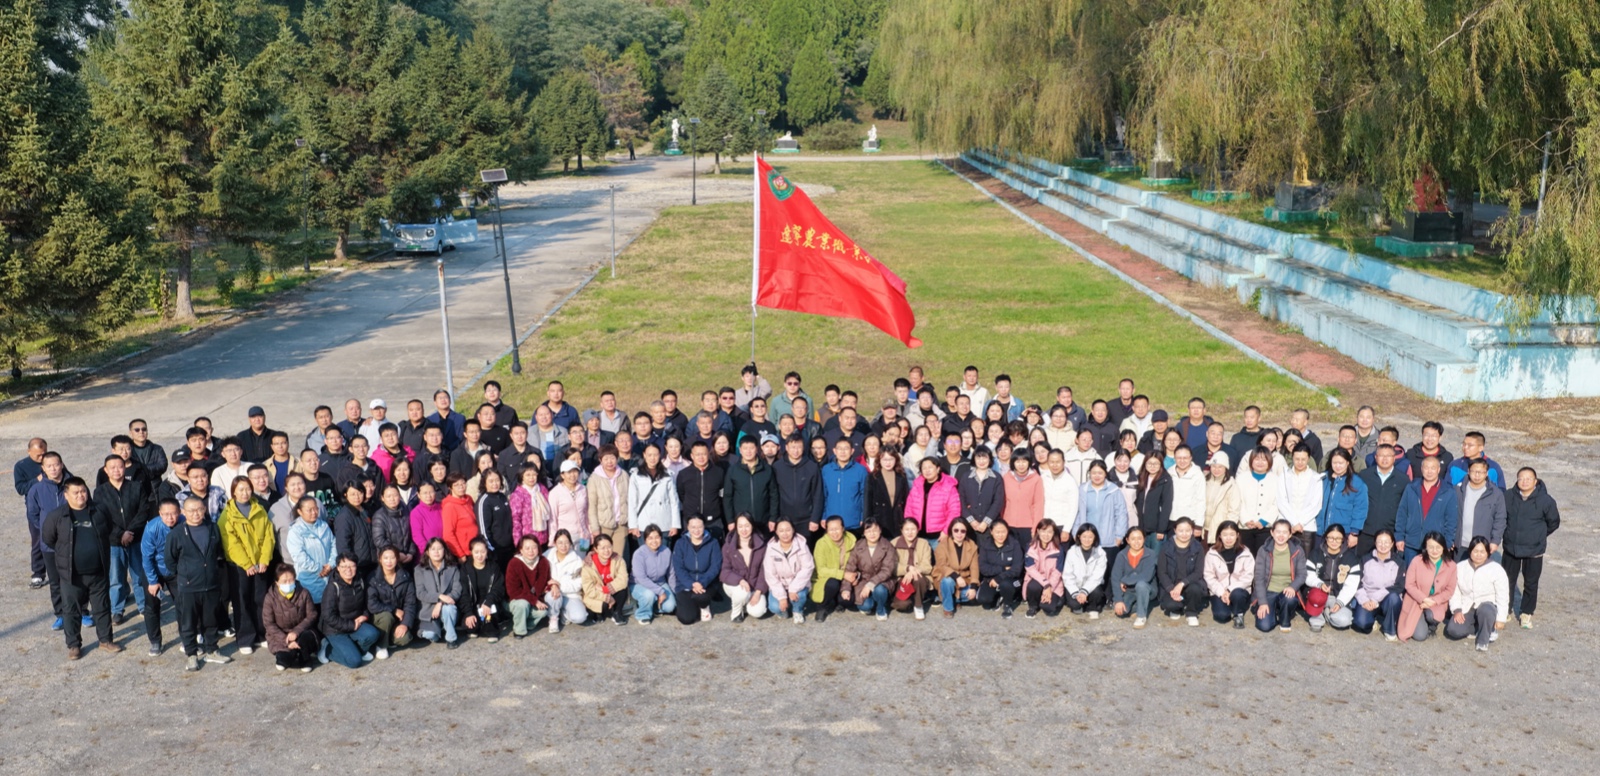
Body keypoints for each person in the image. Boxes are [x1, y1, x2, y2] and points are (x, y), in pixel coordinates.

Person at [41, 477, 118, 660]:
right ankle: (74, 645)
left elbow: (108, 529)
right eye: (75, 492)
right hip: (71, 575)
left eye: (83, 491)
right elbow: (48, 539)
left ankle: (105, 640)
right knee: (71, 611)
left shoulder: (99, 510)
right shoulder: (57, 516)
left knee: (102, 608)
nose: (80, 495)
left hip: (98, 571)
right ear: (66, 495)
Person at [219, 477, 275, 654]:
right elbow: (231, 543)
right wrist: (246, 563)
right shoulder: (227, 515)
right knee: (242, 601)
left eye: (248, 489)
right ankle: (245, 638)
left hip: (260, 563)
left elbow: (268, 536)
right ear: (234, 492)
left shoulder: (259, 509)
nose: (245, 493)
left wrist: (264, 559)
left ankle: (261, 634)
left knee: (260, 599)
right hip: (239, 566)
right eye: (241, 489)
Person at [95, 454, 150, 624]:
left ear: (125, 467)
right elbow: (101, 517)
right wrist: (120, 534)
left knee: (139, 575)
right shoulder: (100, 492)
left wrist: (130, 531)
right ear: (106, 470)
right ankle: (117, 610)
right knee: (116, 578)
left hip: (136, 538)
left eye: (120, 466)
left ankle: (143, 606)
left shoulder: (136, 487)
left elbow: (143, 511)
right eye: (112, 467)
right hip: (113, 542)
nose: (116, 470)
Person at [1502, 467, 1559, 629]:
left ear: (1535, 481)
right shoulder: (1508, 496)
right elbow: (1502, 518)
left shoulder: (1545, 500)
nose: (1524, 481)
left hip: (1534, 550)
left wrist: (1539, 535)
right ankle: (1505, 609)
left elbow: (1554, 522)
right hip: (1511, 547)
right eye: (1521, 478)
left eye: (1528, 478)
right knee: (1507, 580)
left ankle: (1526, 612)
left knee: (1531, 583)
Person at [1446, 537, 1509, 652]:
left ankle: (1483, 640)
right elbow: (1455, 591)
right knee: (1453, 630)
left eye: (1482, 552)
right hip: (1467, 605)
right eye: (1475, 551)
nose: (1478, 555)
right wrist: (1457, 610)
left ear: (1487, 552)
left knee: (1486, 610)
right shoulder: (1460, 567)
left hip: (1487, 606)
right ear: (1470, 551)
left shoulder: (1496, 569)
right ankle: (1482, 627)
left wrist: (1501, 618)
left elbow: (1503, 595)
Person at [319, 554, 380, 668]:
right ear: (338, 568)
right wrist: (350, 625)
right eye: (344, 566)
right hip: (335, 630)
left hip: (355, 624)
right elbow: (327, 615)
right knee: (354, 662)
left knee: (373, 634)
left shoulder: (360, 581)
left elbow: (366, 603)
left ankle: (356, 650)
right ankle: (327, 649)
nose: (348, 569)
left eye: (352, 565)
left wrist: (365, 616)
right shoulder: (333, 587)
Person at [1395, 456, 1458, 563]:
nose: (1429, 471)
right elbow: (1402, 513)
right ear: (1421, 469)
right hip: (1411, 543)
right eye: (1426, 467)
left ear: (1438, 469)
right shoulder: (1411, 488)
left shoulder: (1448, 491)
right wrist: (1399, 537)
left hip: (1435, 545)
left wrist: (1447, 543)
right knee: (1410, 572)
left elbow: (1451, 520)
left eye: (1433, 468)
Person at [1399, 532, 1457, 643]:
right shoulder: (1417, 561)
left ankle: (1432, 626)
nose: (1434, 550)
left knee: (1432, 616)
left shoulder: (1451, 565)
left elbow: (1450, 590)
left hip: (1437, 602)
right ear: (1425, 547)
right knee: (1420, 636)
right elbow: (1409, 584)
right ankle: (1420, 619)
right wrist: (1424, 599)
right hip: (1416, 600)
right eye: (1431, 547)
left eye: (1438, 547)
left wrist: (1433, 601)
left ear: (1443, 547)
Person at [140, 499, 181, 655]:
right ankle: (155, 641)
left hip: (176, 570)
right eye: (166, 514)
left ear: (179, 512)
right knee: (152, 606)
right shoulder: (152, 528)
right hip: (154, 569)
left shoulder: (184, 523)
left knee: (184, 603)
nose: (170, 518)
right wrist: (152, 581)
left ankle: (187, 636)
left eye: (174, 513)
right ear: (160, 514)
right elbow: (147, 557)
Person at [1304, 524, 1362, 632]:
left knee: (1344, 621)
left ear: (1343, 539)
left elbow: (1351, 585)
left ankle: (1326, 612)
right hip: (1319, 593)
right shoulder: (1315, 553)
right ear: (1326, 538)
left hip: (1338, 595)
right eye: (1331, 538)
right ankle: (1317, 617)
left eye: (1338, 538)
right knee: (1316, 597)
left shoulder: (1351, 558)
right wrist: (1320, 584)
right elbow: (1308, 575)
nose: (1334, 541)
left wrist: (1340, 602)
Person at [262, 564, 319, 672]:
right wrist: (287, 640)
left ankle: (304, 658)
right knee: (283, 662)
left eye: (291, 580)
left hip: (302, 631)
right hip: (280, 634)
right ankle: (293, 652)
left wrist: (296, 632)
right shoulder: (270, 598)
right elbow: (269, 624)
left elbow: (312, 615)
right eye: (284, 581)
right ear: (277, 582)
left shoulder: (304, 593)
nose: (288, 584)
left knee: (306, 642)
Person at [1252, 519, 1306, 633]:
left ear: (1290, 534)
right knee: (1264, 626)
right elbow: (1259, 578)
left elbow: (1302, 574)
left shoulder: (1297, 550)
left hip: (1287, 592)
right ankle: (1274, 610)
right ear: (1272, 532)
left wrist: (1293, 587)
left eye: (1285, 532)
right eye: (1278, 532)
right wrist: (1262, 602)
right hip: (1268, 591)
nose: (1281, 536)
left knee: (1289, 599)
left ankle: (1284, 618)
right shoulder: (1264, 550)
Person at [1351, 530, 1406, 640]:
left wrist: (1376, 598)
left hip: (1387, 599)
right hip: (1368, 598)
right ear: (1375, 543)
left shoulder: (1399, 562)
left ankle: (1389, 629)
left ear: (1392, 544)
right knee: (1361, 623)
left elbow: (1399, 586)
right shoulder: (1365, 559)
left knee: (1394, 598)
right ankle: (1373, 620)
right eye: (1380, 541)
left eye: (1386, 542)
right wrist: (1365, 600)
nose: (1383, 545)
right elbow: (1357, 582)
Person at [366, 546, 417, 658]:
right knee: (386, 616)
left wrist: (405, 624)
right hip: (379, 619)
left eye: (392, 558)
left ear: (397, 559)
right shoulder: (373, 578)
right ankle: (381, 645)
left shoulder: (405, 576)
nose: (389, 561)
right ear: (380, 559)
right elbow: (372, 605)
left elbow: (410, 603)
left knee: (405, 638)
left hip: (397, 620)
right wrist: (393, 610)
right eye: (386, 558)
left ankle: (388, 638)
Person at [1357, 441, 1407, 556]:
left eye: (1388, 455)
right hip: (1365, 532)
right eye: (1381, 455)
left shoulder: (1403, 480)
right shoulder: (1364, 475)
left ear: (1394, 458)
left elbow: (1404, 509)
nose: (1385, 459)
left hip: (1389, 533)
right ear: (1376, 457)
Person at [1156, 517, 1207, 625]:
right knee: (1171, 605)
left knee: (1195, 589)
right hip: (1171, 585)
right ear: (1175, 530)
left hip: (1189, 584)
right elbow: (1161, 572)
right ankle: (1178, 607)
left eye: (1188, 530)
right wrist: (1171, 589)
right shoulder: (1166, 547)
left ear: (1192, 531)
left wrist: (1182, 584)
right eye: (1181, 531)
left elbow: (1198, 572)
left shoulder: (1198, 547)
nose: (1184, 534)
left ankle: (1191, 612)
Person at [1203, 521, 1254, 628]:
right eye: (1225, 535)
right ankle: (1230, 608)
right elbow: (1209, 576)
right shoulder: (1212, 553)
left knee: (1237, 595)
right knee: (1222, 616)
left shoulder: (1246, 553)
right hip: (1219, 591)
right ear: (1220, 536)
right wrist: (1222, 592)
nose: (1229, 538)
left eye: (1232, 535)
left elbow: (1248, 576)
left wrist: (1230, 590)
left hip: (1239, 591)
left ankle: (1238, 614)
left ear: (1237, 535)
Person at [671, 516, 721, 625]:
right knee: (687, 619)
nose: (696, 530)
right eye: (693, 527)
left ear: (704, 526)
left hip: (706, 584)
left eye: (699, 527)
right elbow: (678, 568)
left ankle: (704, 606)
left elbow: (715, 567)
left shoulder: (713, 543)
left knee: (701, 597)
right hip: (686, 584)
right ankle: (694, 607)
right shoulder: (680, 543)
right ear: (688, 527)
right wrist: (691, 584)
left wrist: (702, 582)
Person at [762, 519, 813, 623]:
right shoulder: (771, 548)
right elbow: (770, 574)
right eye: (781, 530)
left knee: (800, 596)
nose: (785, 534)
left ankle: (797, 610)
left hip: (797, 584)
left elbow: (807, 567)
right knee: (774, 607)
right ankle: (784, 611)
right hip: (780, 584)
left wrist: (793, 589)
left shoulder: (802, 545)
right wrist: (781, 597)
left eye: (788, 530)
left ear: (793, 530)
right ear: (776, 532)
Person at [1454, 459, 1506, 561]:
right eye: (1474, 471)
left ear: (1486, 473)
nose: (1477, 475)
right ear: (1468, 471)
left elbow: (1500, 519)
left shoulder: (1495, 494)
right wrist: (1450, 539)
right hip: (1460, 544)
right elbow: (1449, 515)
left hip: (1482, 546)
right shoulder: (1457, 490)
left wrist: (1495, 541)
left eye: (1481, 472)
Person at [844, 520, 897, 620]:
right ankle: (877, 600)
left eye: (875, 530)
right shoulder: (858, 546)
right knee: (865, 606)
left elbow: (887, 570)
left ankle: (881, 609)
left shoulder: (888, 546)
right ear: (864, 533)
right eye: (868, 531)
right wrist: (846, 588)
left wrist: (870, 585)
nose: (872, 534)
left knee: (880, 590)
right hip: (863, 580)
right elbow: (850, 568)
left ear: (880, 530)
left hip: (882, 581)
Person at [720, 514, 768, 622]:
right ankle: (736, 612)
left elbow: (764, 571)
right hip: (735, 585)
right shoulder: (728, 546)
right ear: (736, 527)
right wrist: (740, 580)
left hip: (754, 586)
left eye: (747, 525)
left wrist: (758, 592)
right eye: (740, 526)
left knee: (757, 612)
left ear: (752, 526)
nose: (744, 530)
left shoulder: (761, 546)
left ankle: (745, 604)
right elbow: (724, 571)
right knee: (742, 593)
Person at [414, 538, 462, 648]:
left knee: (449, 609)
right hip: (429, 610)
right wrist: (439, 596)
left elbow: (456, 590)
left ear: (444, 550)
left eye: (439, 548)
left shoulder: (453, 568)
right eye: (433, 549)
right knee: (430, 635)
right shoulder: (419, 569)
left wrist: (440, 603)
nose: (436, 552)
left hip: (447, 607)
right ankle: (440, 629)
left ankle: (451, 639)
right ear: (427, 552)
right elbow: (420, 593)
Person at [458, 537, 507, 641]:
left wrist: (488, 602)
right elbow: (464, 592)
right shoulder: (465, 569)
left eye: (483, 552)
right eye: (476, 552)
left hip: (490, 603)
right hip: (473, 604)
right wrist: (468, 613)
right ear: (471, 552)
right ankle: (477, 625)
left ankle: (490, 625)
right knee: (471, 627)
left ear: (487, 552)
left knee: (491, 628)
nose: (480, 555)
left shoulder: (494, 567)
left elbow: (498, 588)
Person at [1316, 450, 1368, 548]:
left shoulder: (1357, 483)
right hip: (1321, 531)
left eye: (1341, 463)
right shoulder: (1323, 478)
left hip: (1343, 533)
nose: (1337, 466)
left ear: (1347, 463)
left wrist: (1354, 532)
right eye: (1335, 463)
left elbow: (1360, 509)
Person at [810, 516, 857, 622]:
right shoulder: (821, 543)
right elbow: (821, 570)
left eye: (837, 529)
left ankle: (838, 602)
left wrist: (856, 576)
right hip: (825, 579)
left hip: (846, 581)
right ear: (827, 530)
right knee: (833, 583)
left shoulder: (851, 541)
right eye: (831, 529)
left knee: (849, 601)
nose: (834, 532)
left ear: (843, 528)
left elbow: (858, 563)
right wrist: (843, 574)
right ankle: (822, 607)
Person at [1109, 527, 1156, 628]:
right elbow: (1115, 577)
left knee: (1141, 584)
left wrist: (1124, 580)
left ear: (1144, 539)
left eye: (1139, 538)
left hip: (1147, 588)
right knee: (1121, 612)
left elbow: (1146, 576)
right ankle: (1140, 605)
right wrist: (1118, 600)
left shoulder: (1151, 554)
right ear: (1127, 540)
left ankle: (1141, 616)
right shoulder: (1121, 555)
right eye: (1133, 539)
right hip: (1129, 590)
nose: (1136, 542)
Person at [506, 536, 553, 636]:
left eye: (534, 547)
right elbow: (513, 591)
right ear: (521, 550)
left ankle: (527, 624)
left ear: (538, 548)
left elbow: (546, 581)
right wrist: (534, 601)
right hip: (516, 599)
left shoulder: (543, 561)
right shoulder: (514, 563)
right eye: (527, 548)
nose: (531, 551)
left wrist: (552, 586)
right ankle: (519, 631)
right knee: (523, 604)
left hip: (533, 600)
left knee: (543, 612)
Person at [976, 521, 1024, 619]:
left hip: (1012, 579)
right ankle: (999, 597)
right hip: (990, 579)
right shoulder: (985, 545)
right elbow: (983, 568)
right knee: (984, 600)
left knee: (1006, 585)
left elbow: (1016, 569)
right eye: (997, 532)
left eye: (1003, 532)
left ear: (1007, 531)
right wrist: (1002, 568)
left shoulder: (1014, 544)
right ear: (991, 532)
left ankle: (1007, 604)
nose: (1000, 535)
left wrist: (999, 578)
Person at [630, 526, 677, 624]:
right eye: (650, 538)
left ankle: (653, 606)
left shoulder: (666, 551)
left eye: (657, 537)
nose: (654, 541)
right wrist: (660, 592)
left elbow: (671, 574)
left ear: (661, 538)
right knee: (649, 595)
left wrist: (675, 592)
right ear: (645, 540)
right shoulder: (639, 554)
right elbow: (641, 578)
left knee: (670, 606)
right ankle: (643, 614)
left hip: (660, 582)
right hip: (639, 584)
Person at [581, 533, 630, 625]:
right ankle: (600, 613)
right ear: (596, 549)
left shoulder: (618, 560)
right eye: (602, 548)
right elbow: (589, 590)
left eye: (609, 547)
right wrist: (607, 598)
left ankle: (617, 613)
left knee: (623, 590)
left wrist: (605, 589)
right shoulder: (587, 565)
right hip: (596, 595)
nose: (607, 550)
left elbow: (623, 580)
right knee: (599, 605)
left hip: (608, 590)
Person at [889, 518, 933, 619]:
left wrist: (913, 571)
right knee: (902, 605)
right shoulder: (894, 543)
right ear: (902, 530)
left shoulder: (924, 543)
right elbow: (892, 566)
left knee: (918, 578)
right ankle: (912, 599)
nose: (910, 532)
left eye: (913, 529)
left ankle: (918, 606)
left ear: (918, 530)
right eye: (907, 529)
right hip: (901, 579)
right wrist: (908, 568)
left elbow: (927, 566)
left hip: (920, 578)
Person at [1237, 448, 1280, 552]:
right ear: (1251, 460)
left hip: (1266, 528)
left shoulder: (1276, 480)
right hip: (1245, 527)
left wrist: (1263, 521)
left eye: (1264, 459)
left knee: (1263, 556)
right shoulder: (1241, 478)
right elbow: (1237, 502)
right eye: (1257, 459)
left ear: (1269, 461)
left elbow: (1277, 503)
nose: (1260, 462)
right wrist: (1246, 520)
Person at [1021, 519, 1064, 619]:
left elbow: (1058, 571)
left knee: (1049, 608)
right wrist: (1046, 584)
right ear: (1038, 531)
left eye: (1049, 532)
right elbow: (1030, 568)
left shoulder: (1058, 549)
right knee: (1033, 586)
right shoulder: (1030, 546)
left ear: (1054, 533)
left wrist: (1049, 587)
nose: (1046, 535)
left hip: (1053, 582)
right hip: (1037, 579)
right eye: (1043, 531)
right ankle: (1033, 607)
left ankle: (1054, 599)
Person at [958, 447, 1004, 538]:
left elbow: (998, 501)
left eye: (984, 458)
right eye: (978, 458)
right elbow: (961, 499)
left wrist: (985, 522)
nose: (981, 461)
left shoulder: (997, 478)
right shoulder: (966, 477)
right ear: (974, 459)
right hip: (969, 525)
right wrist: (971, 521)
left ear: (990, 459)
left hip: (990, 525)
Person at [1062, 524, 1107, 618]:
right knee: (1075, 605)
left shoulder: (1100, 553)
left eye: (1090, 537)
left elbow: (1097, 576)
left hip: (1091, 586)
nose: (1087, 540)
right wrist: (1076, 593)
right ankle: (1081, 603)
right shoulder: (1072, 552)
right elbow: (1067, 575)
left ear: (1095, 538)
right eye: (1084, 536)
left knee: (1097, 593)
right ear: (1079, 536)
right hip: (1075, 586)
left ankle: (1093, 608)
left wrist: (1084, 591)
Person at [1134, 453, 1173, 555]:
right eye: (1149, 463)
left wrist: (1161, 529)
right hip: (1141, 527)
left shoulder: (1165, 480)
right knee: (1142, 557)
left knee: (1155, 558)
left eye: (1156, 463)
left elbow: (1166, 505)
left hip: (1156, 529)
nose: (1152, 466)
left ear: (1161, 464)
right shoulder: (1140, 478)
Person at [475, 470, 514, 570]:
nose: (495, 484)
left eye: (497, 480)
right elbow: (483, 530)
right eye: (491, 481)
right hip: (496, 550)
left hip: (509, 547)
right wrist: (491, 549)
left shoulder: (502, 497)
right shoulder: (484, 501)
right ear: (484, 482)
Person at [370, 485, 417, 567]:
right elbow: (379, 540)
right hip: (390, 559)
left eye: (395, 495)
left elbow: (412, 533)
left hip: (407, 557)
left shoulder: (405, 511)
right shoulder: (379, 516)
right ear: (382, 498)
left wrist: (411, 552)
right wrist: (397, 554)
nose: (392, 499)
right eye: (388, 496)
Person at [548, 461, 590, 550]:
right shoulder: (555, 493)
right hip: (565, 537)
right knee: (568, 558)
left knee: (583, 558)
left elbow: (587, 513)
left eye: (575, 471)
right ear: (562, 475)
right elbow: (553, 518)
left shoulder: (583, 489)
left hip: (583, 536)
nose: (572, 475)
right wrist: (552, 539)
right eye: (569, 472)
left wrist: (590, 532)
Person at [1202, 452, 1241, 544]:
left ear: (1225, 468)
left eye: (1220, 467)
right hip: (1203, 529)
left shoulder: (1231, 485)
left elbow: (1234, 511)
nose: (1216, 470)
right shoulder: (1204, 480)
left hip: (1220, 531)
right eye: (1214, 466)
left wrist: (1227, 531)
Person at [867, 451, 907, 538]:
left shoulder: (901, 476)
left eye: (891, 459)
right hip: (880, 519)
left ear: (896, 460)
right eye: (885, 459)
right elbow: (868, 500)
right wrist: (868, 521)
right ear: (879, 460)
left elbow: (906, 498)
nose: (888, 463)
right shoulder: (873, 476)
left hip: (897, 519)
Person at [440, 476, 478, 561]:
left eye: (463, 483)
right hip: (464, 552)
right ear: (450, 488)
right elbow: (448, 534)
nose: (461, 487)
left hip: (475, 548)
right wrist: (460, 554)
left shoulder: (469, 499)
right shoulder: (449, 506)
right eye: (456, 485)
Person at [408, 482, 445, 561]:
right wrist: (429, 551)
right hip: (427, 554)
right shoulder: (416, 512)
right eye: (425, 493)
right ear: (418, 495)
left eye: (431, 492)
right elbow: (417, 536)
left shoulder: (441, 508)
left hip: (443, 551)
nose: (428, 496)